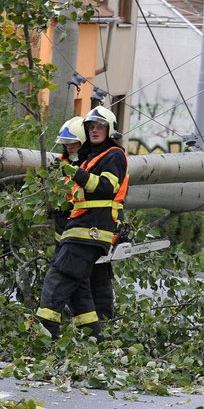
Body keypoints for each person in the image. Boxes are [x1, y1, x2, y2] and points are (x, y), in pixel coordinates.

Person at [36, 106, 128, 339]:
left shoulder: (114, 155)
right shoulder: (91, 158)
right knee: (79, 288)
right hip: (81, 228)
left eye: (100, 126)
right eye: (91, 127)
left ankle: (44, 332)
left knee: (58, 278)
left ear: (110, 129)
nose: (95, 130)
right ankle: (93, 338)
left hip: (92, 230)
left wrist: (73, 172)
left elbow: (107, 188)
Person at [49, 116, 117, 321]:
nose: (69, 148)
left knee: (99, 281)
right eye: (66, 145)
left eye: (73, 144)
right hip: (68, 232)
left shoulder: (95, 164)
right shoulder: (61, 164)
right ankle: (89, 330)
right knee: (77, 285)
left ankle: (104, 324)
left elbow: (108, 192)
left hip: (93, 231)